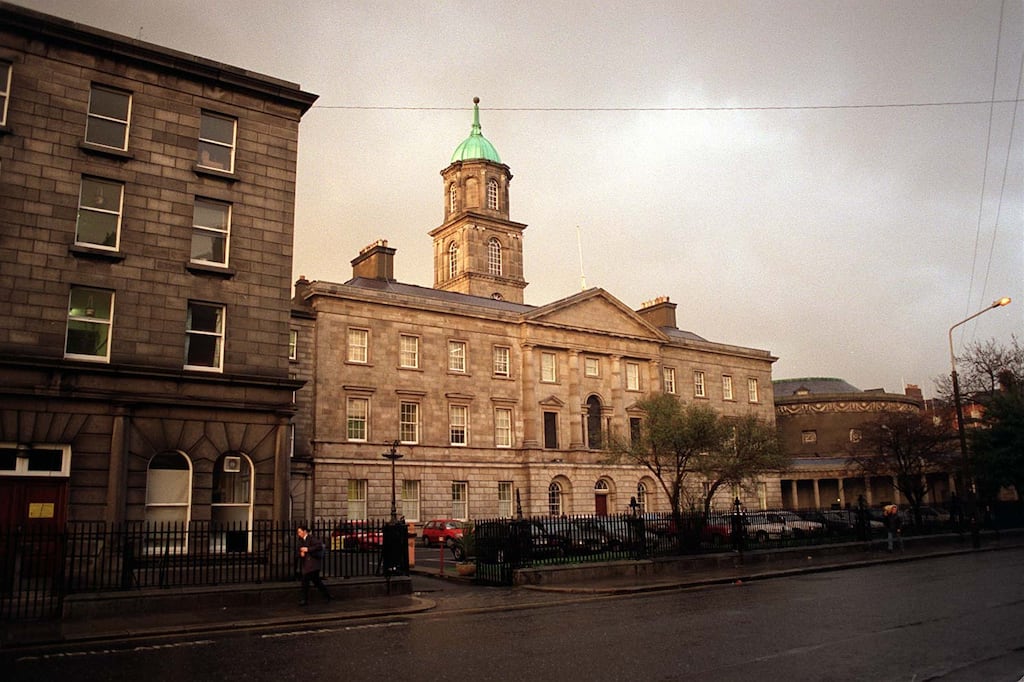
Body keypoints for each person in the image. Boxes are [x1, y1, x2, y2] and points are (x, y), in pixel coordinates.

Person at [296, 524, 331, 605]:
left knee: (305, 581)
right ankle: (327, 595)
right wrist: (300, 553)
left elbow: (319, 546)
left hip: (313, 565)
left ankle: (304, 600)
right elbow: (298, 550)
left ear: (304, 531)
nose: (299, 533)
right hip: (307, 564)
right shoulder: (300, 540)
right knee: (317, 582)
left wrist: (308, 549)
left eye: (300, 532)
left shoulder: (311, 538)